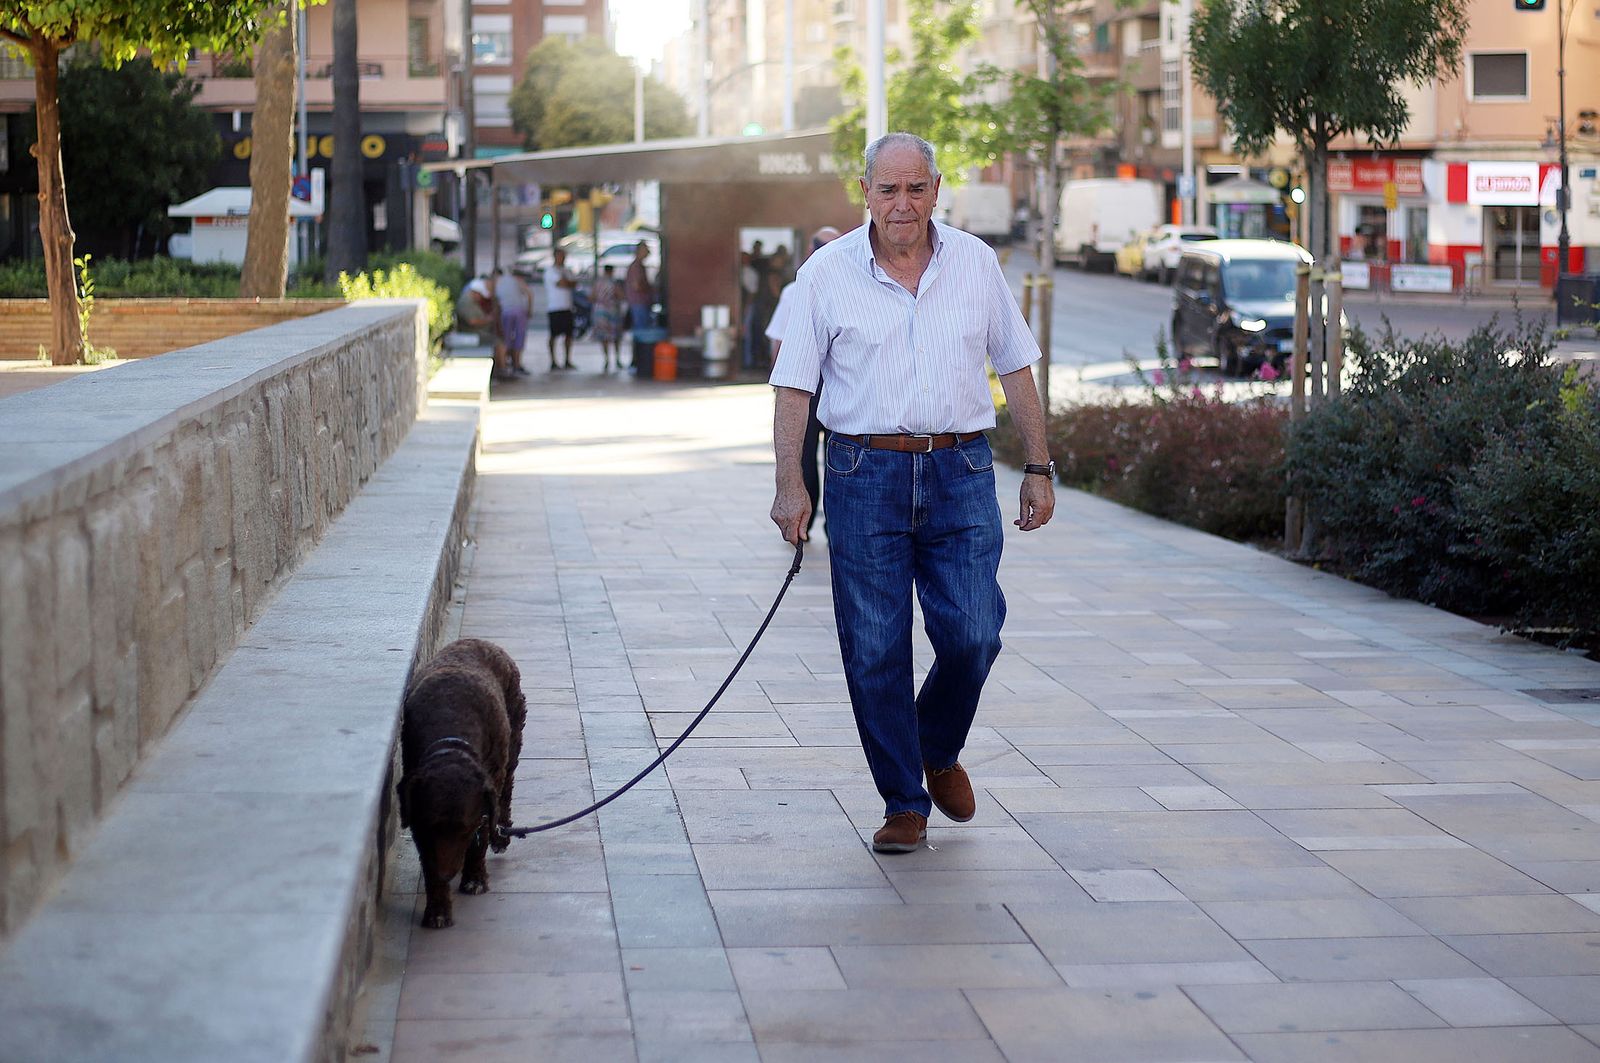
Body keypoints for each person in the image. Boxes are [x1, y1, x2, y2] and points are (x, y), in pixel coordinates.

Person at [768, 132, 1055, 854]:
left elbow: (1016, 364)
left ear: (936, 190)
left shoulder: (976, 264)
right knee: (874, 646)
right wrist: (789, 484)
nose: (904, 204)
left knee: (974, 631)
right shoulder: (825, 275)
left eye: (916, 188)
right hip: (864, 475)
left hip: (962, 470)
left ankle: (936, 743)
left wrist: (1040, 465)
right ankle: (904, 800)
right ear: (864, 191)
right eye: (888, 189)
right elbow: (794, 384)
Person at [766, 226, 841, 537]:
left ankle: (833, 523)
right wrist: (778, 387)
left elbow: (776, 341)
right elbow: (779, 342)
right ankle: (805, 523)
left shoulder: (853, 284)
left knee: (840, 458)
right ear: (811, 249)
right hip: (807, 387)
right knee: (805, 455)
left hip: (839, 387)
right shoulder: (797, 288)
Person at [455, 276, 506, 378]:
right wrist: (488, 320)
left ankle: (501, 369)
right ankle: (502, 371)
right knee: (499, 344)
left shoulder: (471, 300)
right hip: (473, 333)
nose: (481, 298)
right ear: (475, 293)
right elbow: (472, 321)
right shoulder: (467, 302)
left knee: (499, 340)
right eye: (480, 295)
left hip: (478, 332)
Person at [494, 267, 535, 377]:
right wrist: (530, 310)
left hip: (505, 312)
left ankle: (504, 366)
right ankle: (516, 365)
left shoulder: (496, 282)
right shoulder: (516, 280)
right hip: (519, 311)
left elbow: (496, 301)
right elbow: (529, 294)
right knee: (519, 339)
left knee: (505, 339)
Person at [544, 247, 578, 370]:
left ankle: (567, 360)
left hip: (567, 307)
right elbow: (562, 283)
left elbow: (574, 283)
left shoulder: (567, 271)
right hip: (555, 307)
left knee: (569, 335)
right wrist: (568, 282)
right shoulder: (550, 271)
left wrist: (568, 282)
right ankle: (553, 360)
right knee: (554, 334)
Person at [590, 263, 628, 371]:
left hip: (600, 312)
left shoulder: (598, 282)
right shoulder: (613, 282)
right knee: (615, 336)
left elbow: (591, 297)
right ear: (612, 271)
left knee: (604, 336)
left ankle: (606, 359)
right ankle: (617, 359)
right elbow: (621, 295)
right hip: (612, 311)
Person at [624, 240, 654, 332]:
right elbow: (637, 286)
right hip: (639, 303)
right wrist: (649, 289)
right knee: (641, 331)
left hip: (642, 302)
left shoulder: (640, 266)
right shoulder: (636, 267)